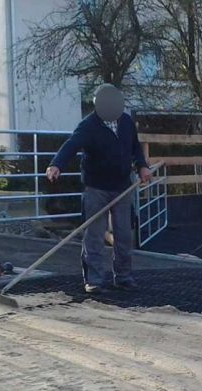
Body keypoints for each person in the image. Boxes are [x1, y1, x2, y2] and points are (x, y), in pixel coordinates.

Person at [46, 84, 151, 294]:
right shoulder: (88, 126)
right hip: (96, 188)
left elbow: (135, 147)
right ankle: (93, 280)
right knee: (94, 235)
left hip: (122, 187)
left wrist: (142, 166)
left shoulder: (127, 123)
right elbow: (71, 144)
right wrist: (56, 164)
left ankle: (123, 277)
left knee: (123, 234)